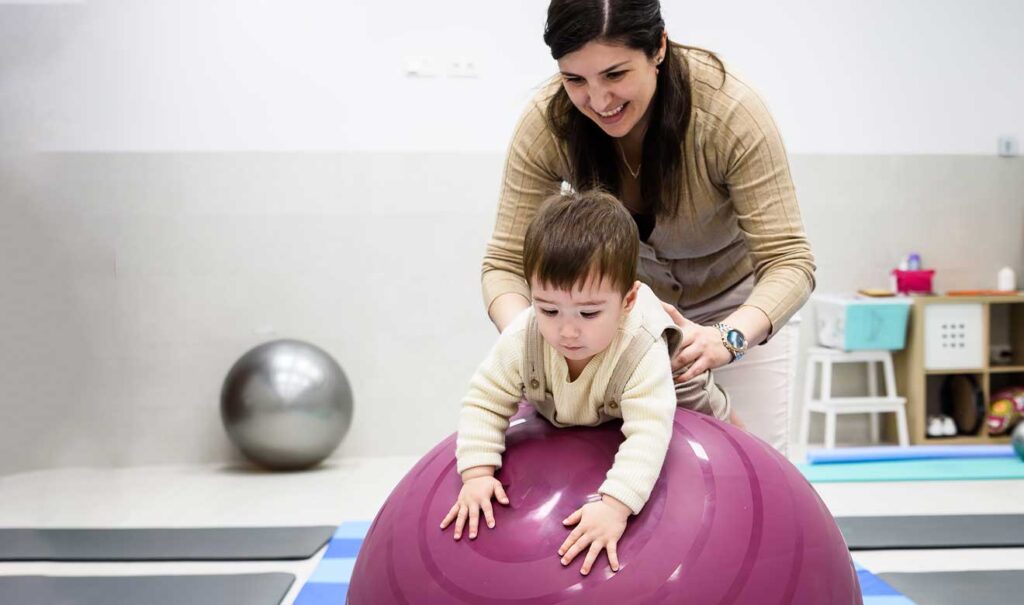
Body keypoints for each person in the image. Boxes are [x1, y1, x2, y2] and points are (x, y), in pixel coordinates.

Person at [481, 0, 816, 453]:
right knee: (617, 468)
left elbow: (790, 261)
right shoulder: (549, 123)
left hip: (738, 309)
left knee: (754, 466)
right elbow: (504, 263)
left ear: (658, 48)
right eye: (575, 79)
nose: (598, 101)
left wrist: (729, 338)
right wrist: (535, 333)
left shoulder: (730, 113)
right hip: (622, 318)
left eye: (615, 75)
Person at [440, 190, 729, 576]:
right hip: (572, 400)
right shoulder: (526, 335)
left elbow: (649, 432)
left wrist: (614, 506)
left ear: (626, 303)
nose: (568, 330)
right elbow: (485, 400)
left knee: (723, 430)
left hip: (674, 383)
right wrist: (476, 473)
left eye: (589, 313)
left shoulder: (641, 347)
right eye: (549, 309)